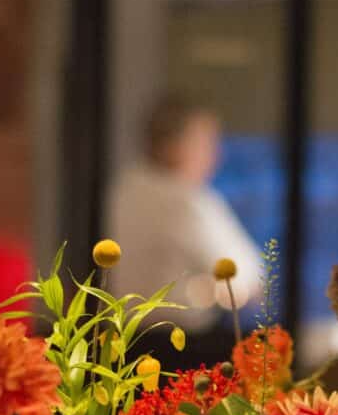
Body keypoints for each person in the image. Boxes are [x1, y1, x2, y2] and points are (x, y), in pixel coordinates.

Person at [104, 94, 263, 352]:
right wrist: (208, 292)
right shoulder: (187, 202)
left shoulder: (117, 191)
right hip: (182, 352)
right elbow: (247, 278)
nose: (215, 157)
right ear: (171, 145)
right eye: (206, 143)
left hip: (114, 349)